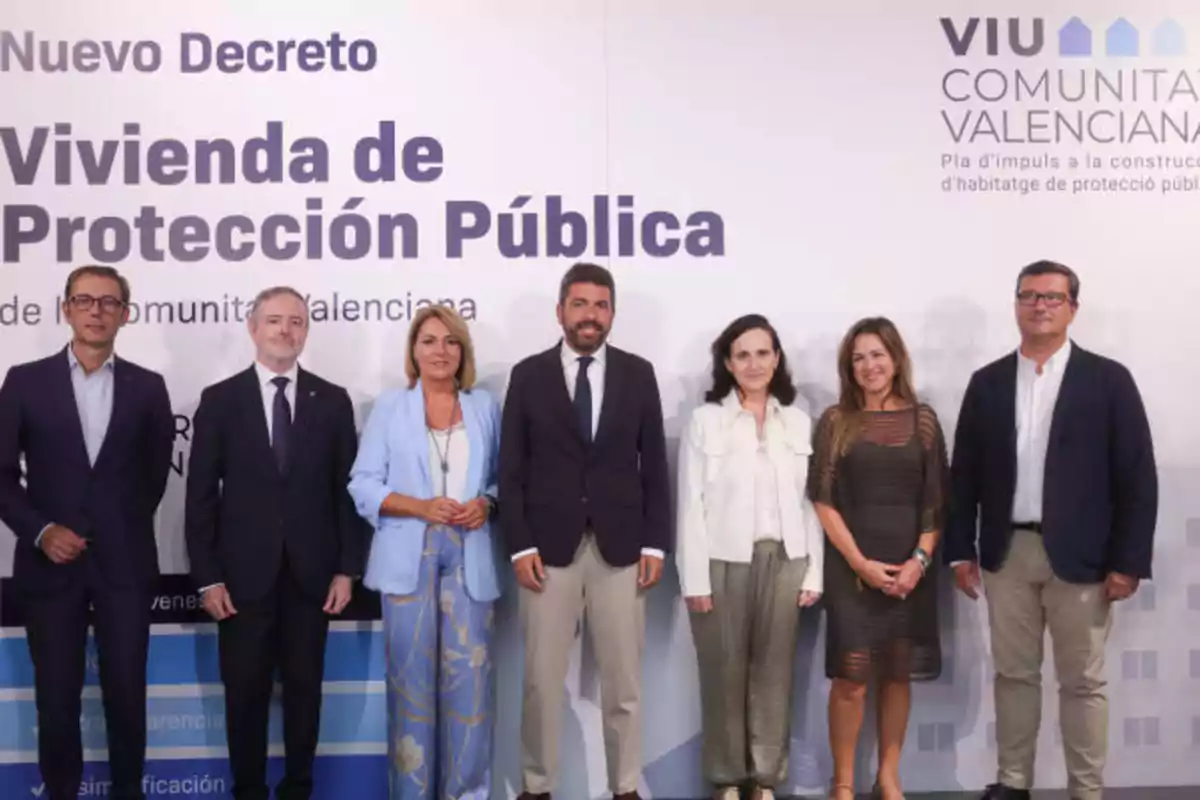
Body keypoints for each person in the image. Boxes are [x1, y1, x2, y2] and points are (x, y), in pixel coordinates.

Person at [945, 260, 1157, 800]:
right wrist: (958, 551)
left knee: (1083, 682)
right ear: (1016, 304)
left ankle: (1086, 790)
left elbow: (1136, 476)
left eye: (1053, 298)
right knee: (1014, 677)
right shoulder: (988, 382)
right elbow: (963, 474)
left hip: (1084, 559)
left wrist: (1128, 561)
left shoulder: (1108, 380)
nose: (1040, 305)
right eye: (1029, 295)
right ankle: (1013, 782)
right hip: (1005, 552)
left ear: (1073, 308)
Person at [184, 286, 366, 800]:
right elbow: (199, 499)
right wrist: (208, 577)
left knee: (306, 695)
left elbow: (345, 492)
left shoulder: (331, 401)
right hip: (240, 582)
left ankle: (298, 789)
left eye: (296, 322)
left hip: (312, 579)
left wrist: (347, 568)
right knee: (244, 696)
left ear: (306, 331)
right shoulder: (220, 401)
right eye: (275, 321)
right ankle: (248, 791)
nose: (286, 331)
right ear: (253, 328)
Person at [0, 265, 174, 800]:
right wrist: (42, 529)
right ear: (66, 309)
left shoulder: (149, 387)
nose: (96, 311)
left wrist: (113, 527)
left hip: (125, 566)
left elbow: (153, 477)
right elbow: (2, 475)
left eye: (108, 302)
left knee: (127, 696)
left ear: (126, 313)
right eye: (84, 300)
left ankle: (128, 792)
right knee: (56, 699)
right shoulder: (24, 381)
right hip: (49, 567)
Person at [499, 262, 670, 800]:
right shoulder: (527, 375)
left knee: (623, 686)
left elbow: (655, 465)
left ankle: (624, 788)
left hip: (621, 550)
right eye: (580, 304)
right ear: (560, 312)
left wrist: (654, 541)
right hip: (547, 551)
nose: (590, 315)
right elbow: (511, 466)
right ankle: (537, 786)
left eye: (600, 305)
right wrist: (520, 542)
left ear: (612, 314)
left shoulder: (638, 373)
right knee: (541, 684)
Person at [347, 305, 501, 800]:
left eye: (451, 341)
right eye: (430, 340)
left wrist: (487, 503)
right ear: (414, 350)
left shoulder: (484, 407)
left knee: (470, 693)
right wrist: (418, 506)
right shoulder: (390, 407)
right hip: (406, 558)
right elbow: (363, 483)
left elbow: (504, 478)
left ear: (463, 352)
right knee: (411, 692)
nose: (441, 350)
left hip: (470, 555)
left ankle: (467, 794)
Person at [675, 314, 824, 800]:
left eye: (763, 353)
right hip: (721, 562)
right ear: (727, 362)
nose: (754, 363)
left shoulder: (800, 421)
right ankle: (726, 780)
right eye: (743, 354)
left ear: (777, 359)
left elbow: (812, 502)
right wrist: (694, 579)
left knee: (773, 674)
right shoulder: (705, 420)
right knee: (723, 673)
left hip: (785, 562)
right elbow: (691, 503)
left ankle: (764, 778)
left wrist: (814, 570)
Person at [807, 317, 948, 800]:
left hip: (912, 572)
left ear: (896, 358)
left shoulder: (923, 420)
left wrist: (918, 564)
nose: (869, 366)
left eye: (877, 355)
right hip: (853, 572)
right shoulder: (835, 421)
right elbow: (823, 500)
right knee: (851, 680)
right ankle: (842, 782)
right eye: (859, 358)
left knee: (895, 675)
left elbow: (935, 506)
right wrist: (861, 564)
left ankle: (888, 775)